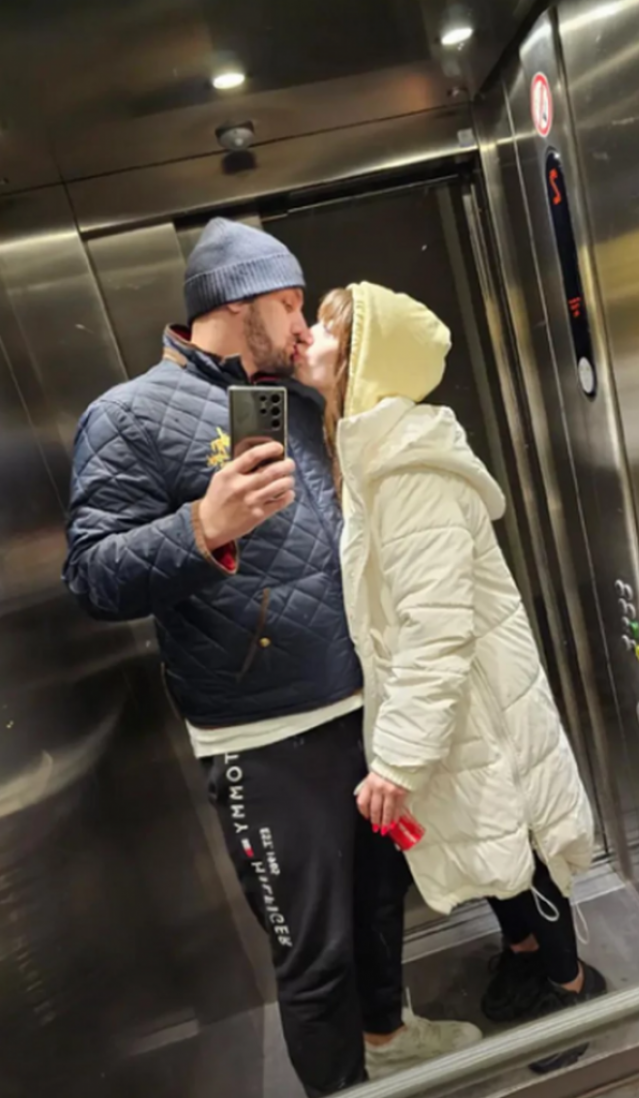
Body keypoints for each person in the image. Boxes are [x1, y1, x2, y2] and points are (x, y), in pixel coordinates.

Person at [62, 220, 480, 1096]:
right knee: (313, 953)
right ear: (237, 301)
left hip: (361, 708)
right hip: (263, 740)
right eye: (289, 303)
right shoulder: (126, 417)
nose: (300, 324)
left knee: (378, 907)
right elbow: (92, 576)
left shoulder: (292, 398)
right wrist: (201, 527)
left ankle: (388, 1039)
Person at [300, 282, 608, 1074]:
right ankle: (526, 953)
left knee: (521, 834)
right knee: (486, 831)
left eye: (327, 330)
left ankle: (571, 987)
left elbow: (437, 626)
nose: (308, 338)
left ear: (363, 358)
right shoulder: (372, 454)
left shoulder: (406, 469)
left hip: (476, 701)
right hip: (454, 703)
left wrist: (398, 758)